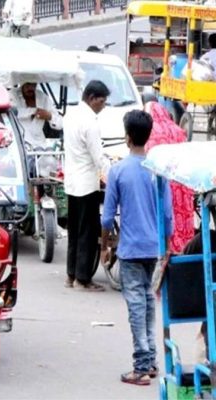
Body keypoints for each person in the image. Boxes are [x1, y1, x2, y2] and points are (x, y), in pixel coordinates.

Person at [101, 110, 173, 385]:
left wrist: (105, 246)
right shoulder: (158, 171)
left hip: (131, 249)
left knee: (136, 306)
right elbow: (167, 215)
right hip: (154, 248)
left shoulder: (118, 171)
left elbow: (107, 217)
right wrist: (166, 246)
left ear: (127, 137)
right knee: (147, 301)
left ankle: (141, 367)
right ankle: (151, 360)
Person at [63, 80, 110, 291]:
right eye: (102, 101)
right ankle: (83, 279)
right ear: (92, 98)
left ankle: (71, 274)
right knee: (88, 233)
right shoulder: (90, 122)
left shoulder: (70, 115)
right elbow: (98, 157)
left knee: (74, 231)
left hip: (72, 182)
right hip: (86, 184)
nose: (103, 106)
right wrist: (112, 173)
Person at [144, 100, 194, 254]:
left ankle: (164, 249)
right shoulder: (178, 130)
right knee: (180, 218)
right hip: (182, 183)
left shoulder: (150, 132)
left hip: (162, 184)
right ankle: (183, 250)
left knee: (163, 216)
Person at [11, 82, 62, 149]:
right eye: (28, 84)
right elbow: (12, 112)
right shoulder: (11, 95)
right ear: (22, 81)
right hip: (18, 145)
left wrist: (49, 116)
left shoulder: (43, 97)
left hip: (40, 146)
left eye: (33, 84)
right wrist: (34, 111)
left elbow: (60, 124)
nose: (30, 88)